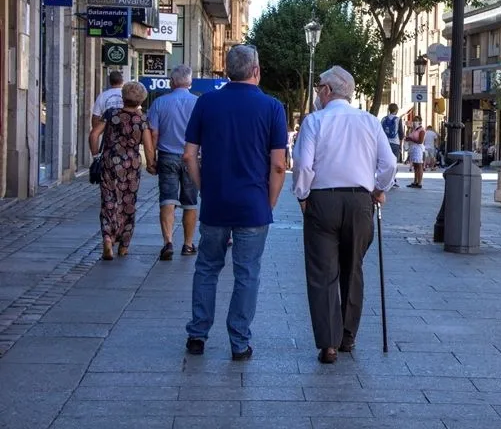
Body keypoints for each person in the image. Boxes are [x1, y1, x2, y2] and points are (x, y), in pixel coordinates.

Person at [183, 45, 288, 361]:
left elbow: (189, 155)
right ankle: (239, 341)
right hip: (253, 204)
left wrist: (204, 188)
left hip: (216, 201)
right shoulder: (272, 107)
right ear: (256, 70)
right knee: (247, 273)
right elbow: (278, 165)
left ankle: (198, 334)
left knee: (207, 267)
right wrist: (268, 203)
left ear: (228, 70)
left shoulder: (206, 102)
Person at [293, 66, 396, 364]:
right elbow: (389, 163)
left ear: (327, 90)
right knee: (353, 268)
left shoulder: (315, 121)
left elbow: (303, 164)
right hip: (359, 201)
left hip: (323, 200)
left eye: (318, 87)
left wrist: (302, 195)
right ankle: (348, 336)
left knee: (322, 272)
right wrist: (379, 189)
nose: (317, 93)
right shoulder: (369, 121)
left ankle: (329, 343)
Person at [89, 81, 155, 261]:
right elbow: (148, 147)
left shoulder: (111, 114)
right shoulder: (142, 119)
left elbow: (94, 135)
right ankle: (124, 245)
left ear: (123, 97)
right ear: (141, 99)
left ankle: (107, 238)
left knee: (108, 200)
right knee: (128, 202)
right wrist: (151, 164)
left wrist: (96, 156)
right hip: (131, 165)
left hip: (110, 162)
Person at [147, 65, 199, 260]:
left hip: (167, 156)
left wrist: (151, 159)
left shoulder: (160, 102)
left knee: (167, 199)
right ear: (190, 82)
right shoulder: (198, 103)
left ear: (172, 81)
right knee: (190, 202)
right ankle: (188, 244)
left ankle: (168, 241)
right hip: (191, 157)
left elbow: (153, 133)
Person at [381, 104, 403, 188]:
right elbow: (401, 134)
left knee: (386, 162)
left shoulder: (383, 119)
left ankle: (386, 180)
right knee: (394, 163)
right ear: (396, 110)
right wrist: (401, 145)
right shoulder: (398, 119)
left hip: (385, 143)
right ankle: (393, 180)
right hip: (395, 143)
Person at [405, 116, 426, 188]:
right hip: (413, 148)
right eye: (413, 120)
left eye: (416, 120)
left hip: (418, 149)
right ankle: (415, 181)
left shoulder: (421, 130)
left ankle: (419, 182)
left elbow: (420, 141)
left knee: (419, 165)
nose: (414, 122)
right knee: (415, 165)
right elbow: (409, 136)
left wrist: (411, 139)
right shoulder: (413, 130)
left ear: (420, 121)